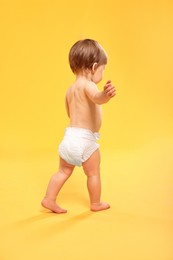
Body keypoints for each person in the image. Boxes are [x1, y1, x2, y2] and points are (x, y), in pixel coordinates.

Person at [41, 39, 116, 213]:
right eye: (103, 69)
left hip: (69, 137)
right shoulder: (89, 85)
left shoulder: (70, 89)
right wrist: (105, 94)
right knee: (93, 173)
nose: (103, 73)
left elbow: (69, 112)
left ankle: (49, 199)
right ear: (94, 67)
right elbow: (97, 98)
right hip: (85, 140)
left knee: (62, 171)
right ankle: (95, 203)